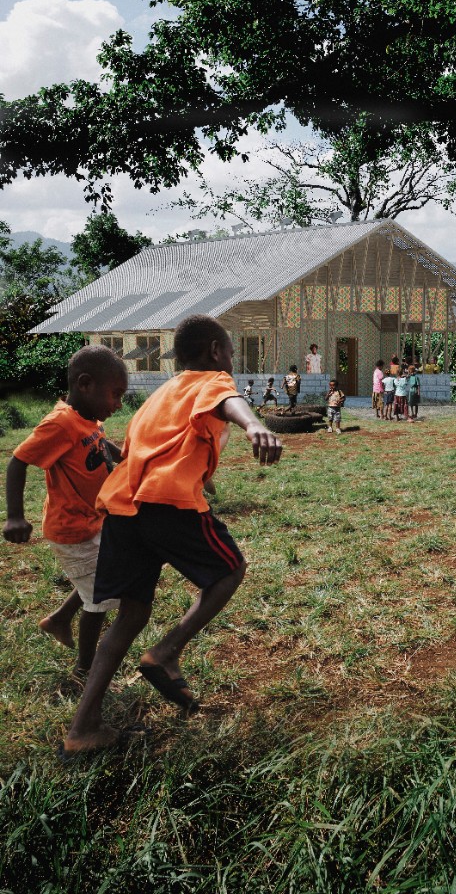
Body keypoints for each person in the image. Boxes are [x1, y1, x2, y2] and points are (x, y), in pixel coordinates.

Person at [61, 314, 282, 755]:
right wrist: (254, 424)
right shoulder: (213, 380)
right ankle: (166, 652)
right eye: (230, 352)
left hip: (123, 506)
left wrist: (202, 473)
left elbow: (142, 448)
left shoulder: (161, 394)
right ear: (216, 351)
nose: (231, 361)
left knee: (131, 614)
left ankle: (83, 729)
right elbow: (228, 399)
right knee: (229, 570)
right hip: (168, 503)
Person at [3, 345, 127, 683]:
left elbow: (101, 443)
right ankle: (85, 669)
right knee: (100, 598)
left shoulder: (87, 419)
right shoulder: (60, 423)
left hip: (91, 521)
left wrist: (127, 456)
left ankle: (59, 619)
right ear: (85, 384)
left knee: (99, 578)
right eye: (115, 394)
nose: (118, 404)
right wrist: (15, 516)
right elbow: (18, 461)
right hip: (72, 530)